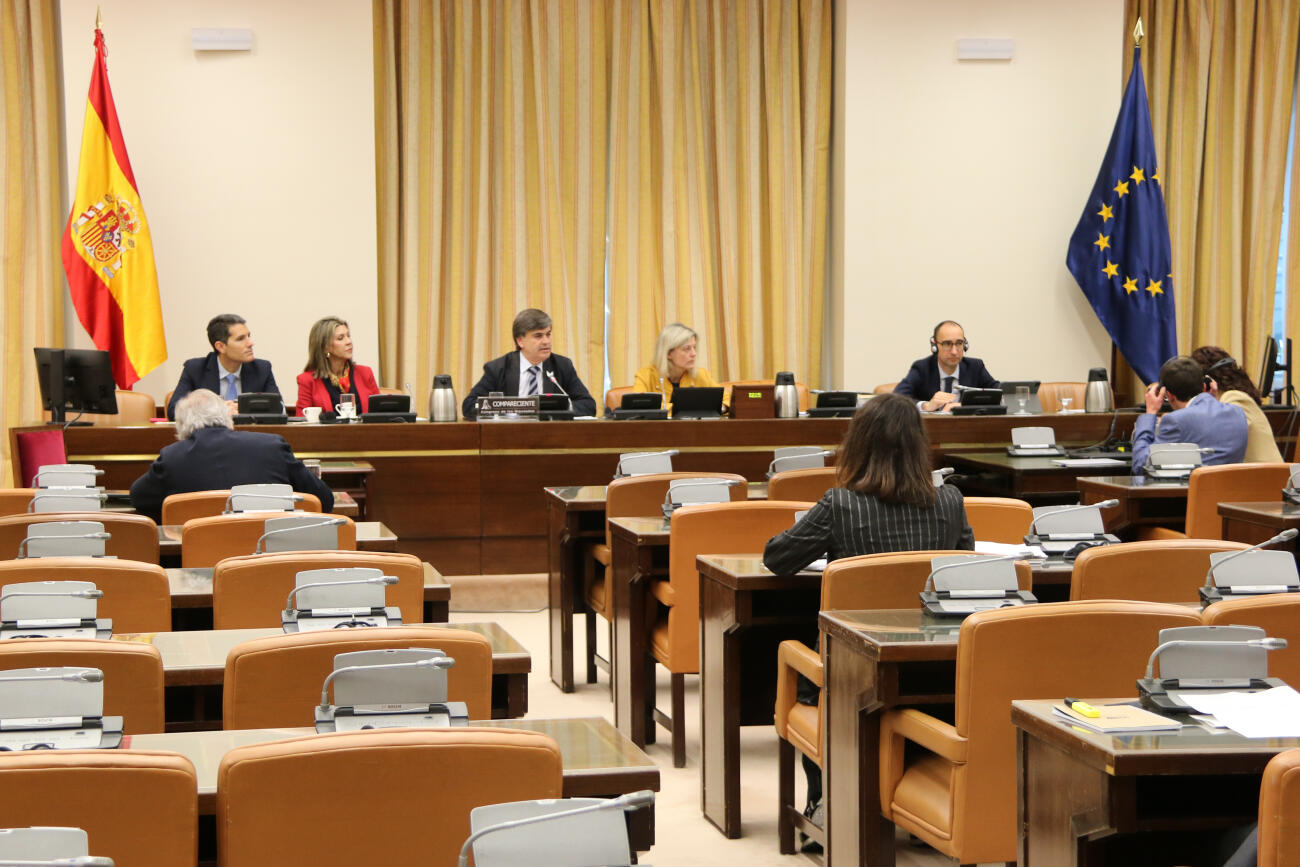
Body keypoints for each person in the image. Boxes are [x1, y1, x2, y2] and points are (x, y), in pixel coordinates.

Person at [762, 392, 974, 843]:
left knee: (805, 666)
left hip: (850, 669)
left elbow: (777, 558)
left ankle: (822, 800)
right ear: (918, 447)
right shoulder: (950, 501)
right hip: (934, 665)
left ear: (858, 446)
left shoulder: (840, 504)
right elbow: (964, 563)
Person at [131, 389, 333, 521]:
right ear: (228, 417)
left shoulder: (172, 457)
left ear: (181, 426)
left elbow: (138, 499)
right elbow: (323, 499)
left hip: (197, 560)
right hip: (267, 557)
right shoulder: (272, 446)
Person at [461, 308, 596, 418]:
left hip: (551, 436)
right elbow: (469, 406)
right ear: (520, 341)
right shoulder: (498, 368)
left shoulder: (562, 366)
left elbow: (588, 405)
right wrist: (510, 410)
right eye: (538, 336)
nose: (546, 341)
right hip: (510, 436)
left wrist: (554, 410)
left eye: (548, 334)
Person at [1131, 355, 1249, 474]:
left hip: (1191, 486)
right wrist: (1210, 399)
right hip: (1232, 485)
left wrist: (1150, 413)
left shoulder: (1175, 420)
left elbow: (1140, 465)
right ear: (1204, 386)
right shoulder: (1238, 412)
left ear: (1169, 395)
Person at [167, 314, 279, 420]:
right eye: (241, 339)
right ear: (220, 347)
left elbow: (279, 408)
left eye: (248, 336)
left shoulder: (262, 369)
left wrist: (243, 409)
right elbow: (174, 411)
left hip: (250, 433)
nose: (250, 343)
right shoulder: (195, 369)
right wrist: (219, 411)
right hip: (210, 433)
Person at [1191, 345, 1284, 463]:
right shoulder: (1231, 398)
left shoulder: (1234, 398)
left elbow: (1219, 437)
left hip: (1264, 474)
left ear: (1206, 381)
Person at [893, 320, 999, 412]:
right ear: (935, 346)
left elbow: (999, 392)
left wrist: (965, 406)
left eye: (959, 343)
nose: (954, 351)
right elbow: (897, 397)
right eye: (947, 344)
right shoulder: (922, 368)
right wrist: (926, 405)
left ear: (965, 345)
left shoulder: (975, 367)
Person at [295, 317, 380, 417]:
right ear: (325, 347)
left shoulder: (365, 373)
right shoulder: (307, 380)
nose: (349, 341)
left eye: (348, 336)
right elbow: (302, 420)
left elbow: (379, 413)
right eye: (340, 338)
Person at [632, 322, 721, 413]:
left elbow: (725, 398)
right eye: (687, 349)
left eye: (694, 347)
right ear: (668, 353)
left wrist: (720, 408)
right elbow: (638, 406)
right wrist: (688, 408)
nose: (694, 354)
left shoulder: (700, 375)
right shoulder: (646, 376)